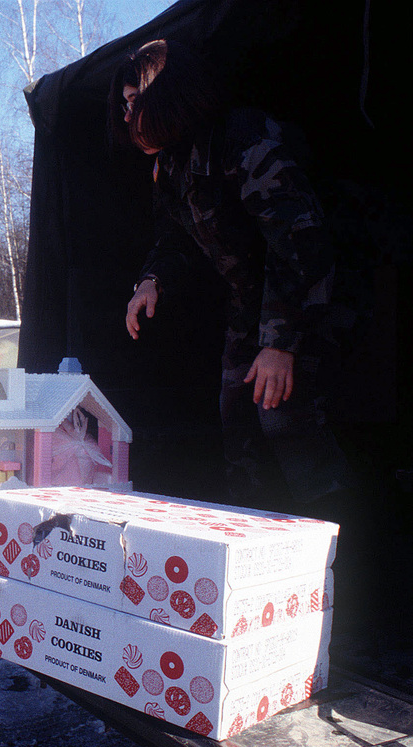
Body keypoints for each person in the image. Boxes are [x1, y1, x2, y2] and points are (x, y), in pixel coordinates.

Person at [110, 39, 350, 510]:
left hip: (308, 298)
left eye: (135, 101)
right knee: (237, 417)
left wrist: (281, 342)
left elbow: (298, 235)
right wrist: (152, 278)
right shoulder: (170, 165)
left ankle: (338, 553)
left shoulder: (240, 135)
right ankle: (250, 548)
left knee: (285, 417)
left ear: (166, 94)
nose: (126, 116)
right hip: (251, 307)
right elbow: (177, 237)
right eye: (124, 106)